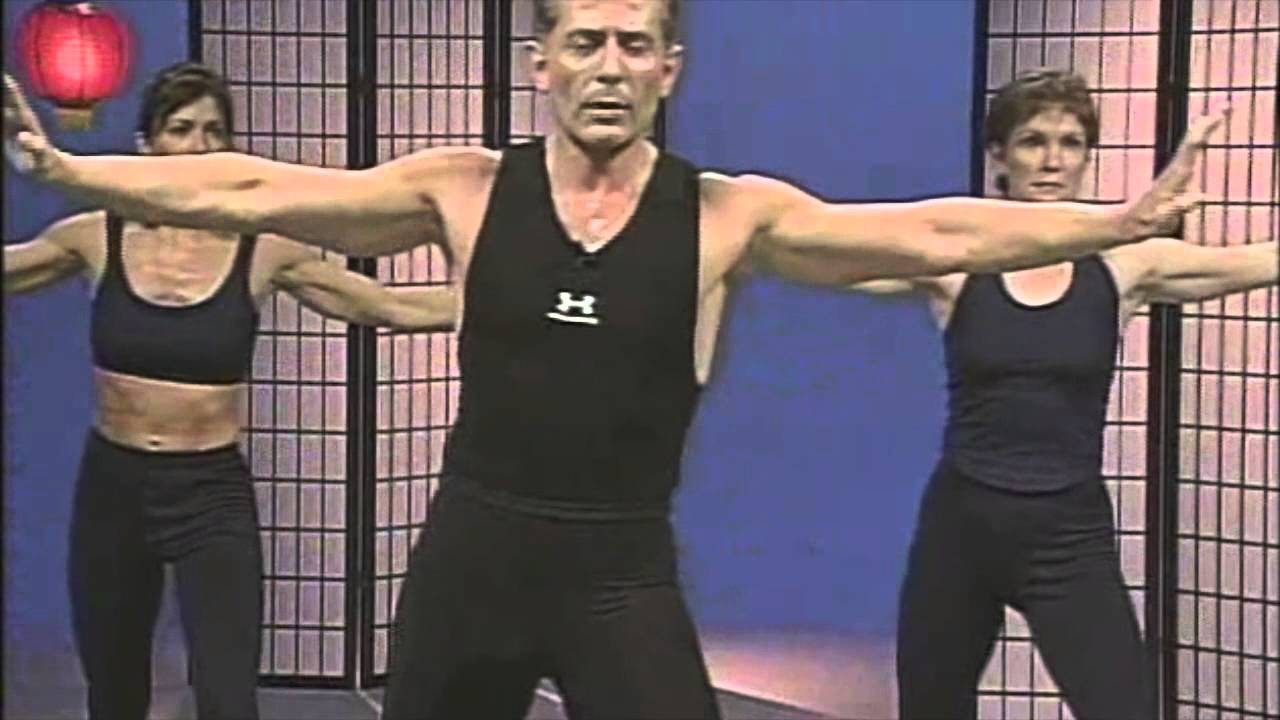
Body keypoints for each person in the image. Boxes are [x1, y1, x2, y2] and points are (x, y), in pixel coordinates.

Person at [3, 2, 1225, 717]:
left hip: (617, 573)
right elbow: (250, 188)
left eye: (634, 44)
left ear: (667, 69)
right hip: (470, 559)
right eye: (583, 40)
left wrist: (1110, 224)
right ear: (540, 61)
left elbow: (934, 231)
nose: (607, 65)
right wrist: (72, 171)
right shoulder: (463, 188)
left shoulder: (724, 214)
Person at [3, 62, 456, 720]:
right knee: (114, 692)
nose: (200, 146)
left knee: (227, 697)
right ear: (146, 148)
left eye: (214, 132)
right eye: (181, 129)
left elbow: (384, 305)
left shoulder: (264, 249)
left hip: (209, 495)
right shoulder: (95, 234)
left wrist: (510, 294)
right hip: (114, 491)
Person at [849, 69, 1276, 720]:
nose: (1052, 161)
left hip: (1067, 535)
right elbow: (828, 257)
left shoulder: (1127, 267)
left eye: (1070, 143)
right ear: (999, 156)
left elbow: (1259, 261)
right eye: (1032, 141)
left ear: (1087, 157)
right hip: (961, 528)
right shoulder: (956, 266)